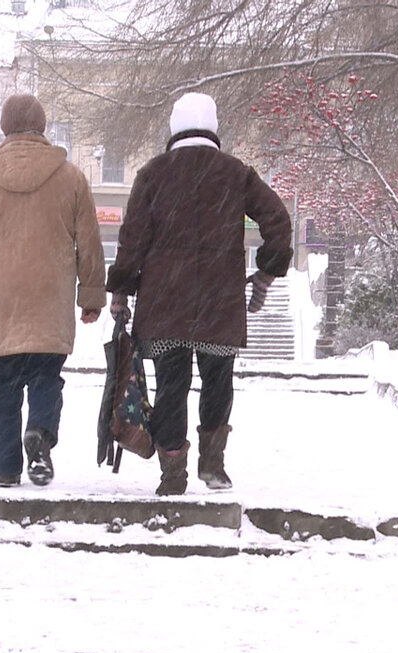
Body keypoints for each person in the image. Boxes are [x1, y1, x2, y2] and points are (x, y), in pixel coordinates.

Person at [106, 92, 293, 496]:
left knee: (171, 387)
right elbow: (278, 220)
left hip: (165, 304)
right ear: (213, 127)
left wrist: (121, 289)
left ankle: (173, 473)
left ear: (174, 127)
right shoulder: (236, 173)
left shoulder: (153, 174)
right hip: (219, 304)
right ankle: (213, 465)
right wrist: (267, 270)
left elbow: (132, 238)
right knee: (218, 382)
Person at [0, 93, 105, 488]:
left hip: (1, 302)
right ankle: (39, 431)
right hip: (50, 297)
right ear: (42, 125)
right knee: (45, 376)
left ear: (5, 126)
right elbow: (89, 242)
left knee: (5, 383)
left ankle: (5, 467)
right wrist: (91, 294)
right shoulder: (70, 177)